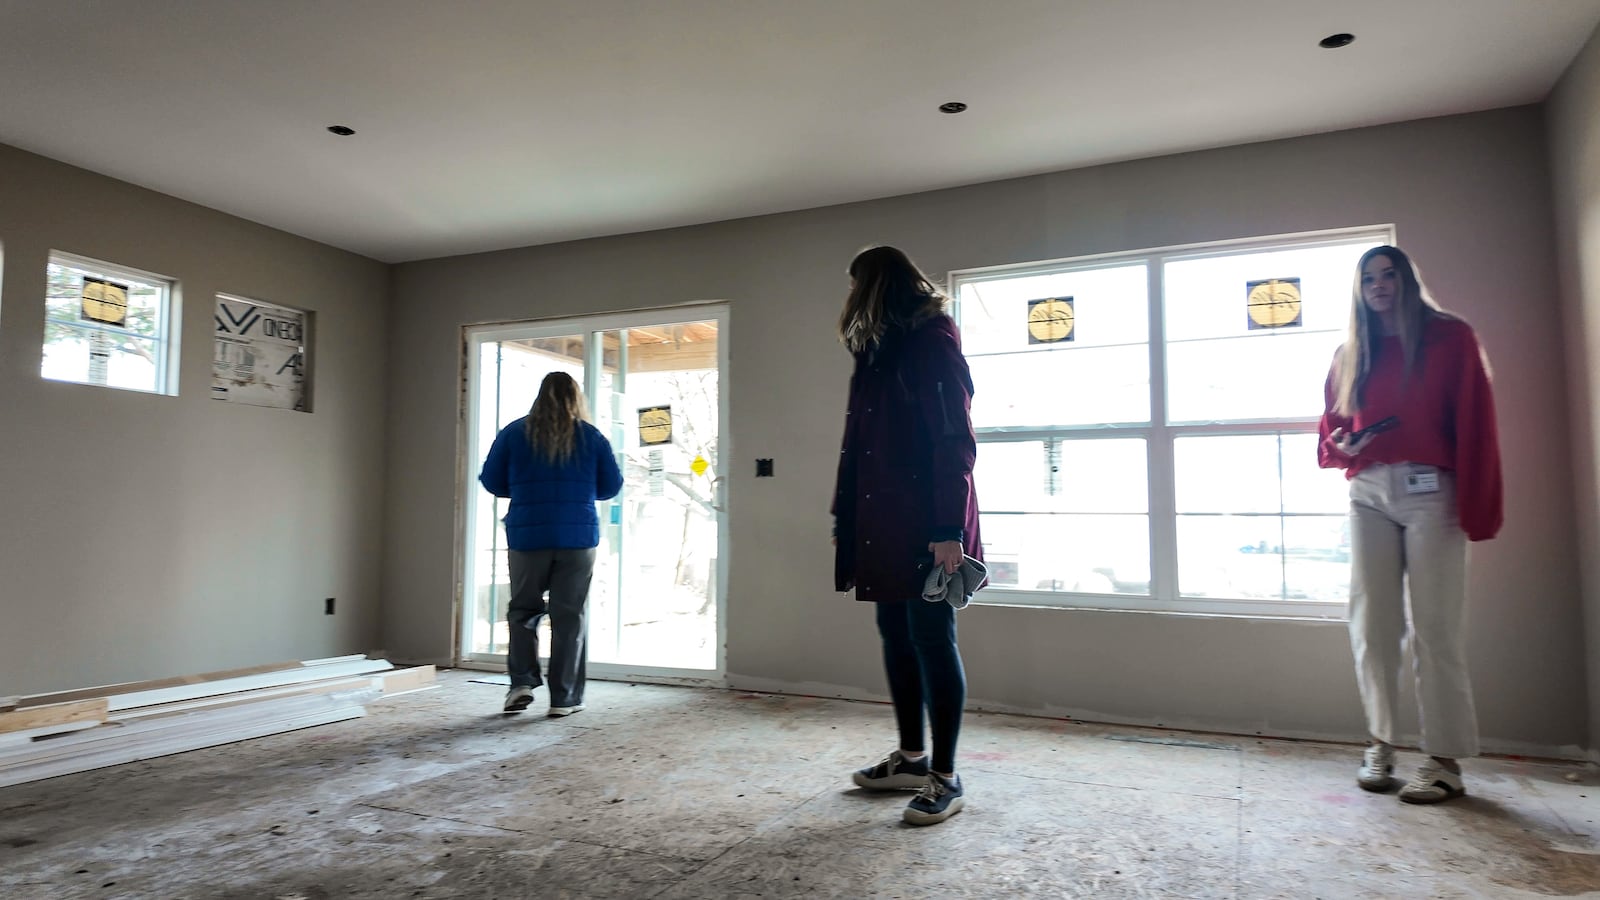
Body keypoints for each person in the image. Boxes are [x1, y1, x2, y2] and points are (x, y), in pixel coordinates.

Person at [1317, 245, 1502, 804]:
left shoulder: (1451, 338)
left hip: (1432, 492)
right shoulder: (1350, 353)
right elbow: (1329, 433)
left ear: (1406, 279)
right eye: (1368, 277)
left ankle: (1443, 762)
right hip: (1368, 490)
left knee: (1435, 628)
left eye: (1387, 274)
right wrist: (1344, 444)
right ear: (1359, 289)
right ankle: (1381, 744)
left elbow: (1477, 422)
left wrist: (1480, 506)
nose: (1378, 284)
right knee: (1371, 625)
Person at [832, 245, 983, 825]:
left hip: (927, 524)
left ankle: (946, 776)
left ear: (875, 284)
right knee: (895, 633)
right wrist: (848, 518)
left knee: (931, 637)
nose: (849, 298)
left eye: (854, 284)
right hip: (884, 522)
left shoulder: (932, 339)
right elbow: (862, 445)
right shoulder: (879, 349)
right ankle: (913, 760)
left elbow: (954, 440)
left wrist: (948, 528)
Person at [480, 371, 623, 717]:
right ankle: (564, 698)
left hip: (528, 538)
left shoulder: (515, 432)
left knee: (523, 611)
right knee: (569, 617)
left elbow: (492, 481)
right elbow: (610, 487)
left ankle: (522, 683)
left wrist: (528, 489)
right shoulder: (591, 436)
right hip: (577, 539)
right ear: (576, 398)